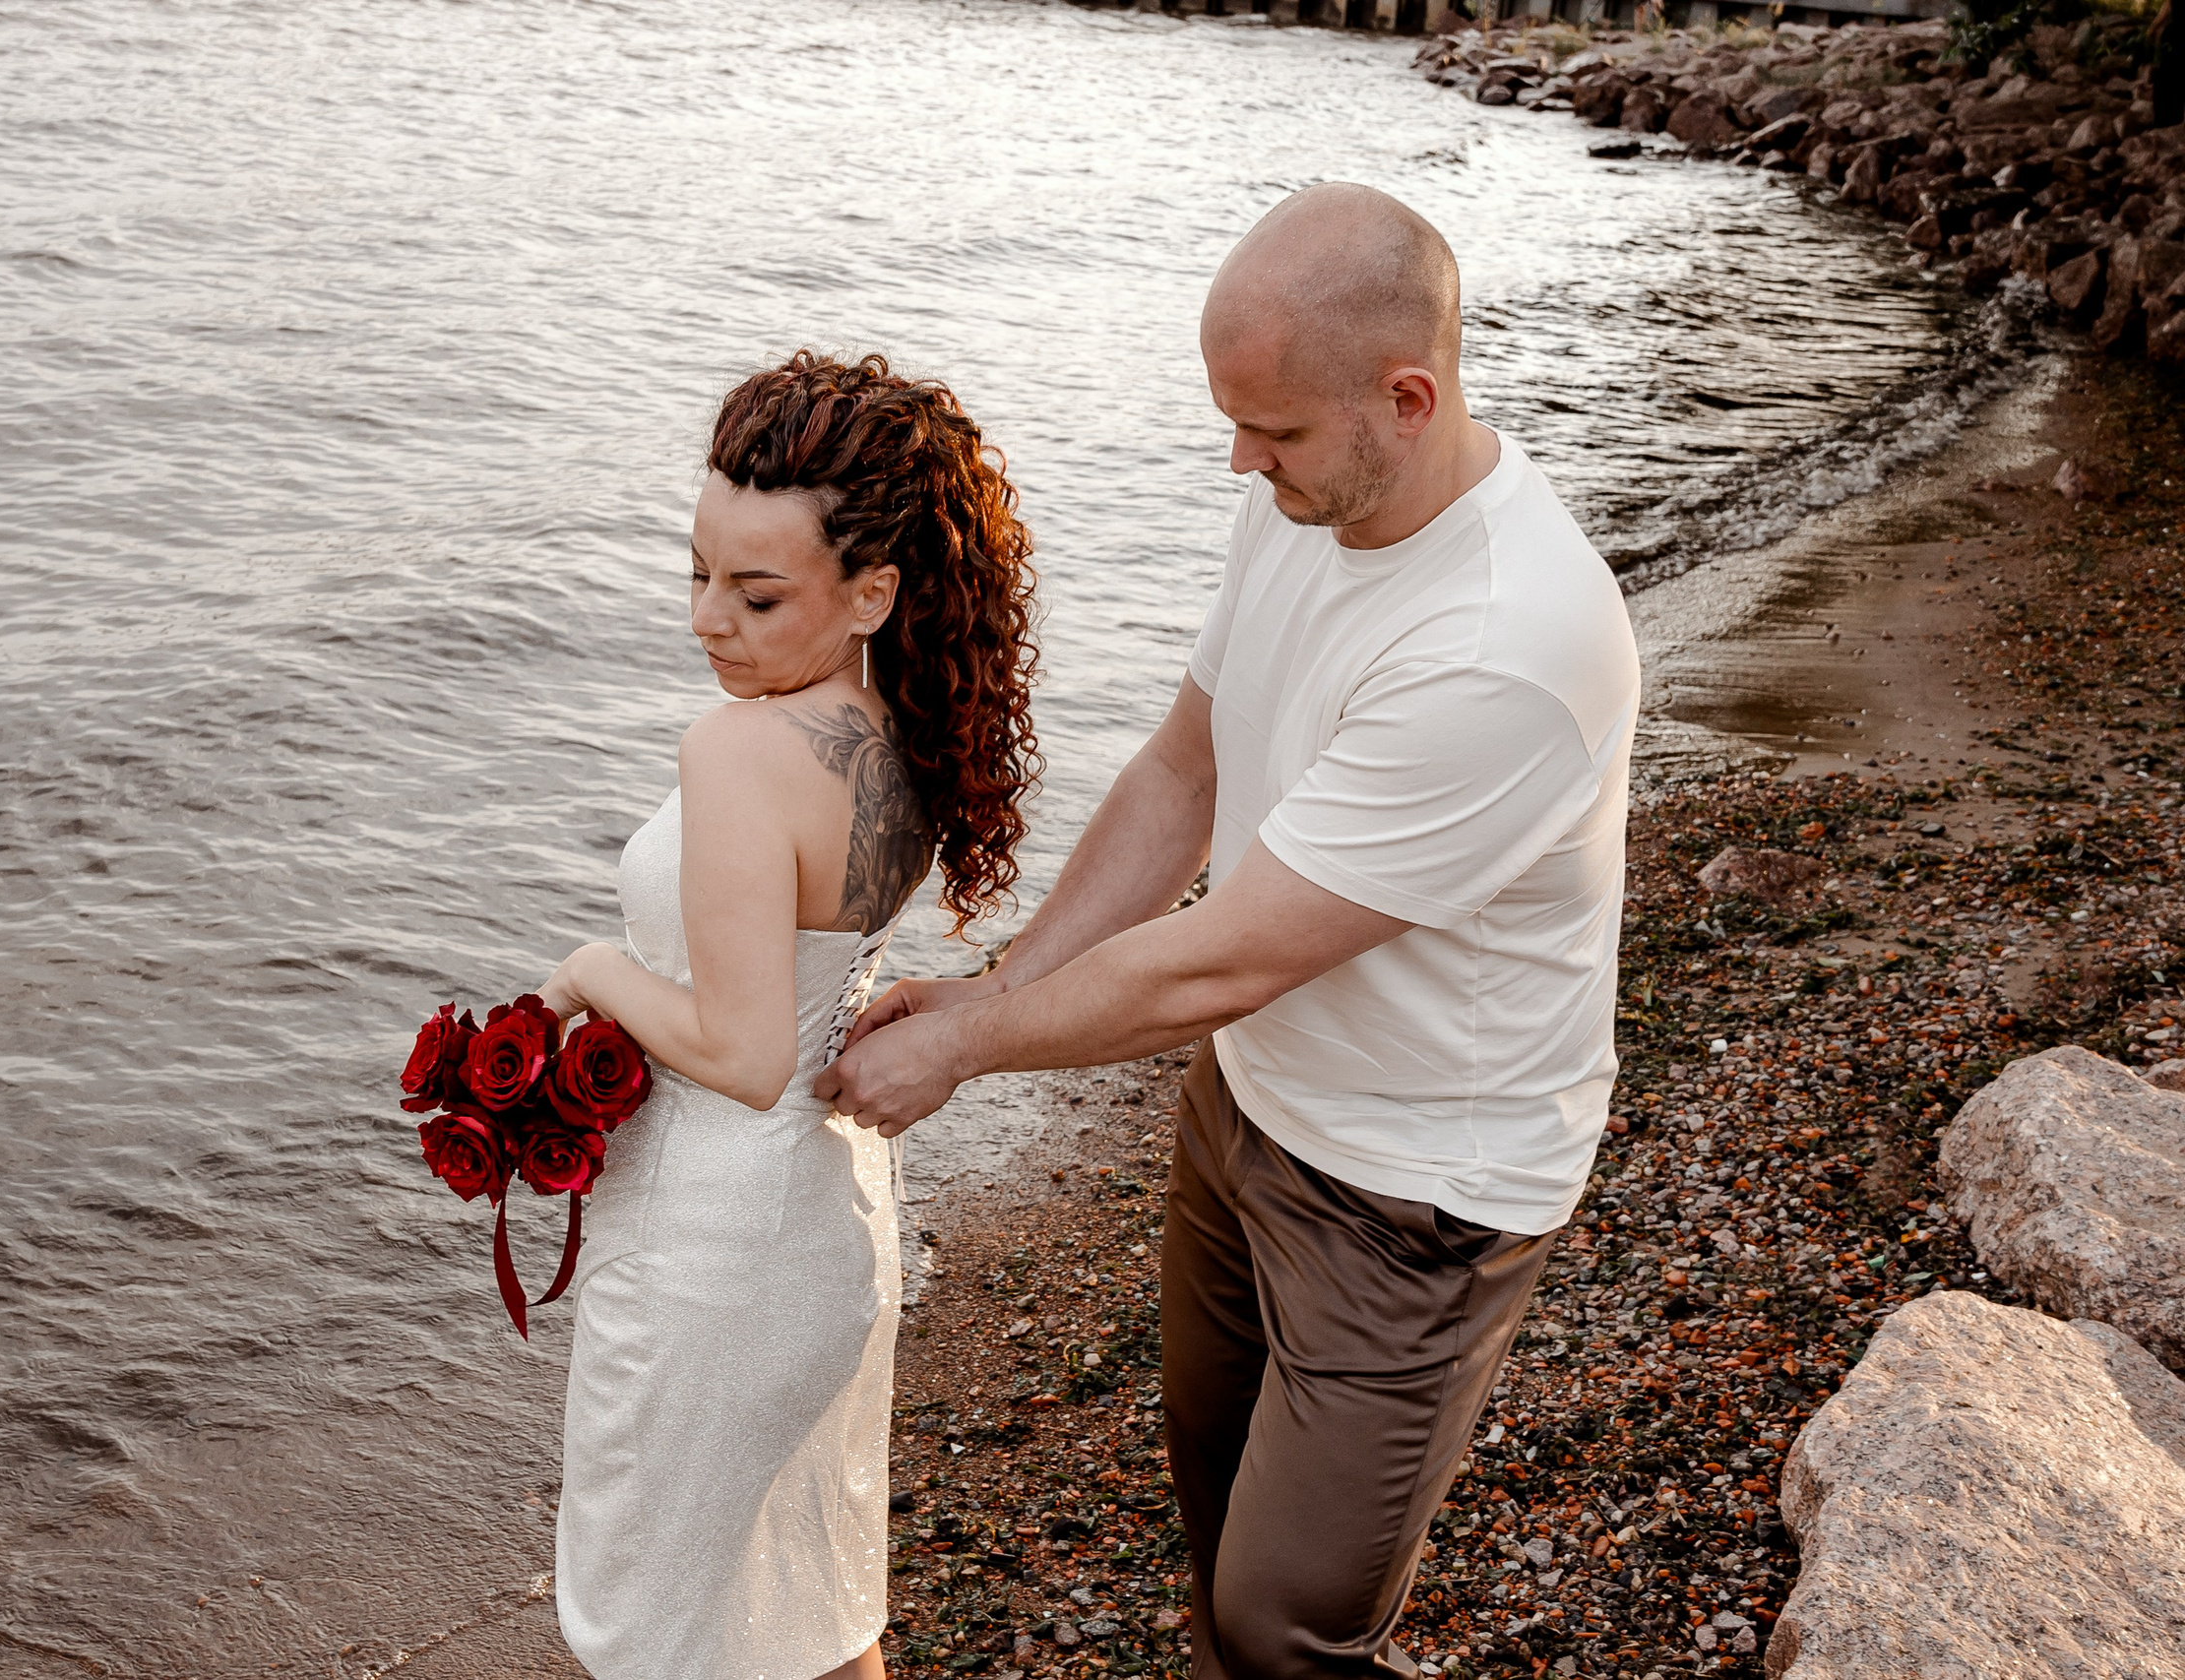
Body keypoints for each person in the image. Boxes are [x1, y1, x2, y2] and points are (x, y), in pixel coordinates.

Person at [816, 185, 1640, 1679]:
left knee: (1284, 1623)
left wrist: (963, 1052)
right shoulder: (1306, 508)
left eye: (1274, 431)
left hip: (1421, 1192)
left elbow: (1229, 952)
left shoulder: (1511, 644)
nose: (1240, 460)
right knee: (1211, 1516)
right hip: (1249, 1110)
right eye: (1233, 419)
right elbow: (1183, 775)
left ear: (1410, 395)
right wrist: (1005, 980)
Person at [534, 351, 1040, 1680]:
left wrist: (592, 970)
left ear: (874, 591)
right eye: (695, 572)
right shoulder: (903, 729)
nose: (710, 621)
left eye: (757, 595)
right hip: (833, 1229)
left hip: (714, 1249)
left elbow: (748, 1055)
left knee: (664, 1633)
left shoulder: (741, 749)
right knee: (806, 1611)